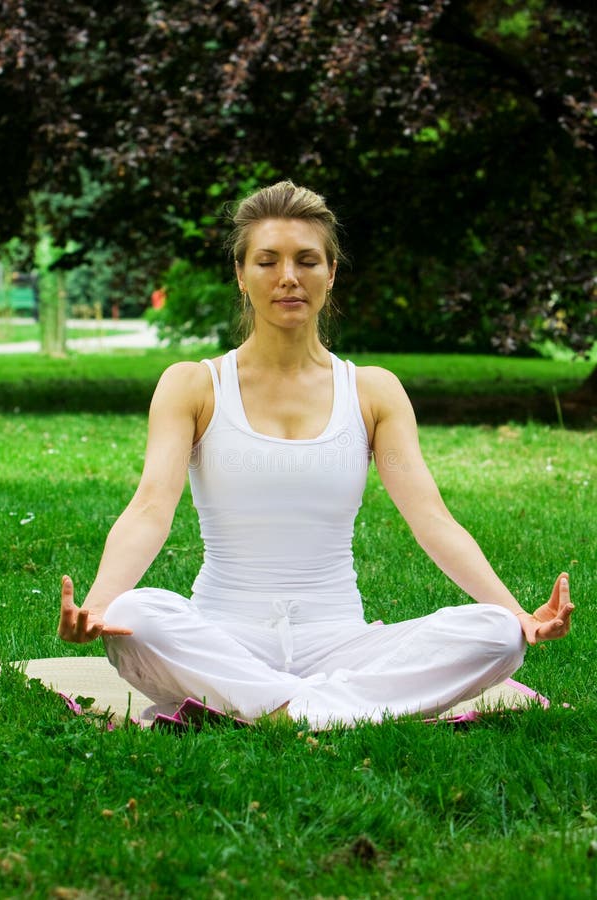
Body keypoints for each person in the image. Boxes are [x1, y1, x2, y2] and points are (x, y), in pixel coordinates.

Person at [58, 181, 574, 730]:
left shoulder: (372, 392)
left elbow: (431, 519)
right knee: (137, 616)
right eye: (267, 261)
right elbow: (149, 508)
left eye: (307, 260)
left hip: (340, 643)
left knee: (494, 635)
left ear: (330, 274)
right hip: (224, 636)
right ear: (241, 274)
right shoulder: (194, 386)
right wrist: (99, 603)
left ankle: (282, 710)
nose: (288, 277)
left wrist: (515, 613)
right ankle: (331, 710)